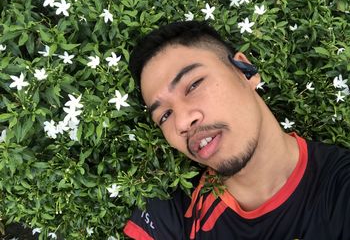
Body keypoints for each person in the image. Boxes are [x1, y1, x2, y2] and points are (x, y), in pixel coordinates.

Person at [123, 21, 350, 239]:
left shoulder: (339, 191)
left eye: (193, 85)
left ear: (244, 71)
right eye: (164, 115)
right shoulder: (173, 214)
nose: (182, 122)